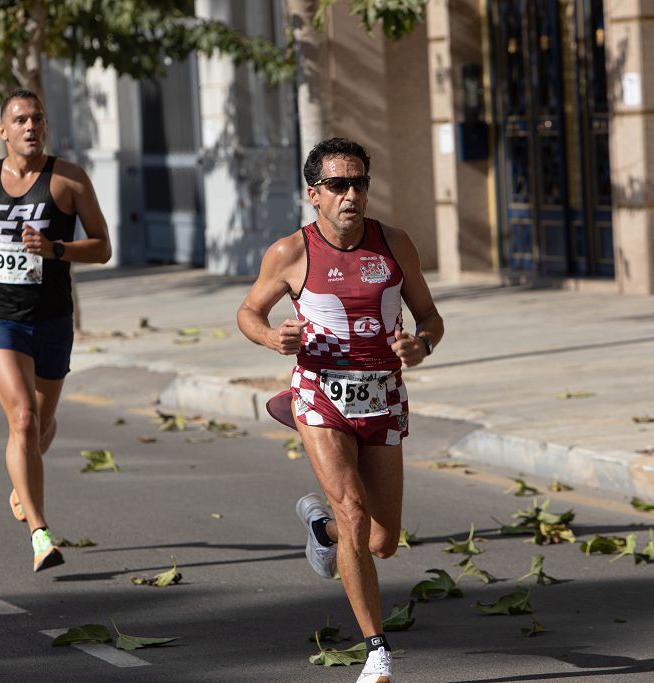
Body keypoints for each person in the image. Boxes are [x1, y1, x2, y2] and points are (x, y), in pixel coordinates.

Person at [238, 137, 443, 683]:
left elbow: (429, 316)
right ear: (314, 194)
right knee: (354, 511)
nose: (351, 194)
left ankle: (321, 529)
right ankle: (377, 650)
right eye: (338, 185)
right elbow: (248, 312)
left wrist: (421, 345)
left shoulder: (395, 244)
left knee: (381, 540)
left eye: (359, 183)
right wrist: (271, 337)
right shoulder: (290, 253)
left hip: (383, 395)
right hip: (319, 395)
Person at [0, 88, 111, 572]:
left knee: (43, 424)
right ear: (2, 130)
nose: (31, 127)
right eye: (20, 120)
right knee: (24, 421)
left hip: (52, 318)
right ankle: (40, 533)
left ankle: (22, 484)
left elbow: (102, 248)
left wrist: (55, 248)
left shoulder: (69, 180)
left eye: (38, 119)